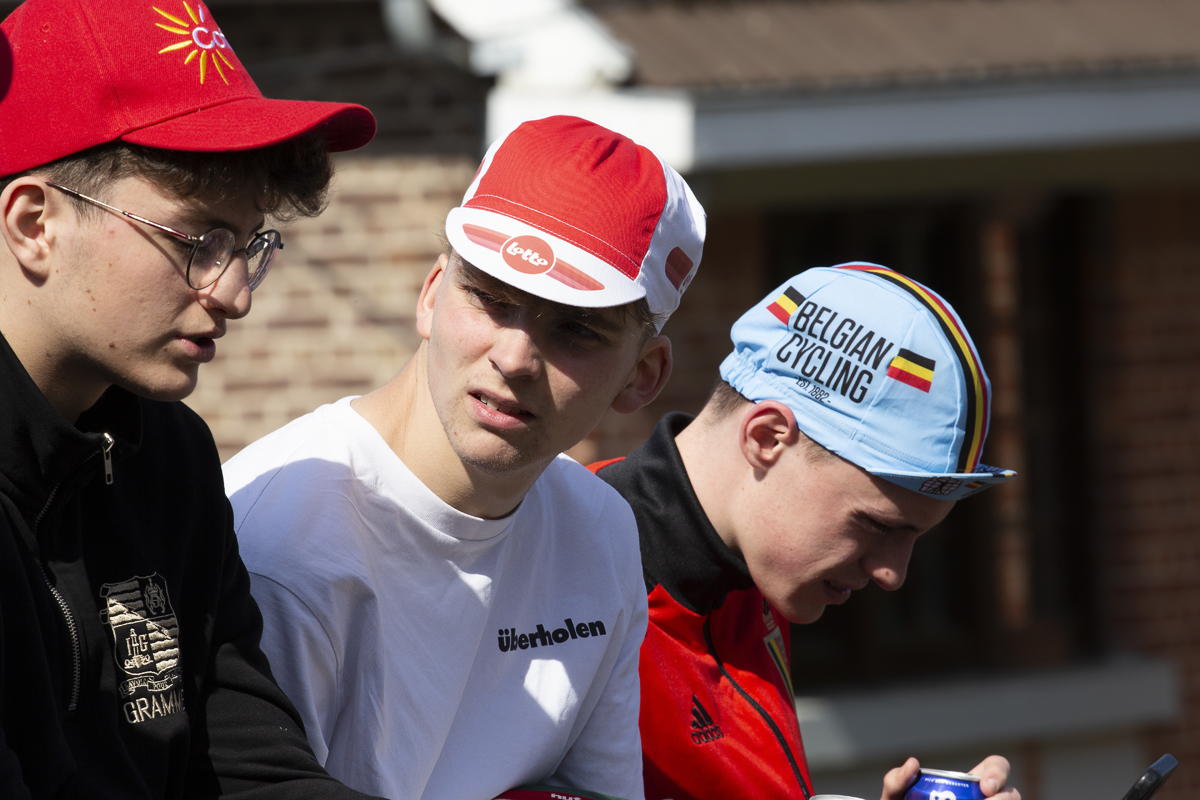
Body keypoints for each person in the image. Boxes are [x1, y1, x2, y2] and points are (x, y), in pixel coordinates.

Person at [222, 115, 706, 800]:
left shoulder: (600, 528)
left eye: (575, 328)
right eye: (490, 299)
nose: (513, 357)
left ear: (644, 376)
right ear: (431, 295)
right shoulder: (280, 545)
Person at [0, 0, 380, 797]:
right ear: (35, 222)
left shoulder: (168, 458)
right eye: (196, 242)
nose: (235, 292)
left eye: (249, 246)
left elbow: (248, 768)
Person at [590, 263, 1022, 800]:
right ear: (768, 438)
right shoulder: (545, 577)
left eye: (914, 537)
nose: (892, 573)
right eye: (874, 525)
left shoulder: (757, 563)